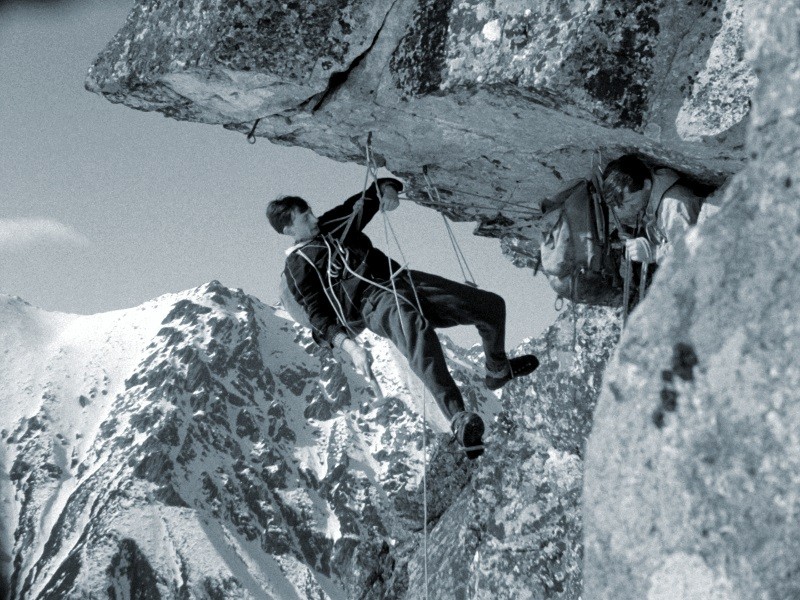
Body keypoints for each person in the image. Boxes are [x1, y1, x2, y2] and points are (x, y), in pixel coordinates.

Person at [266, 178, 538, 459]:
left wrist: (387, 190)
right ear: (288, 229)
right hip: (373, 303)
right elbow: (319, 317)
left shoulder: (333, 223)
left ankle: (497, 369)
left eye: (309, 211)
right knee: (419, 337)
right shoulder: (298, 266)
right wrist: (352, 348)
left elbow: (368, 196)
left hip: (404, 281)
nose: (312, 217)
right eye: (304, 217)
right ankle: (458, 419)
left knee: (490, 306)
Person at [601, 155, 704, 268]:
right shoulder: (648, 198)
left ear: (646, 185)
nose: (628, 209)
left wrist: (654, 253)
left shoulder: (674, 206)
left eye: (630, 201)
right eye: (621, 206)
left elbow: (692, 251)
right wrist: (635, 237)